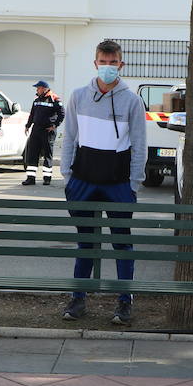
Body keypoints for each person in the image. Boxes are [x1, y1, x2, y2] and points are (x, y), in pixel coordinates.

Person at [60, 40, 147, 326]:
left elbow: (139, 146)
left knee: (121, 244)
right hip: (82, 181)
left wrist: (134, 183)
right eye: (103, 61)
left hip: (119, 184)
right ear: (95, 62)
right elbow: (70, 136)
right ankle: (78, 298)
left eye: (113, 63)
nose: (108, 67)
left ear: (121, 65)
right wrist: (67, 176)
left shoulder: (132, 100)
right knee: (86, 242)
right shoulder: (78, 96)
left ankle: (124, 302)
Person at [23, 80, 64, 186]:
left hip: (48, 131)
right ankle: (30, 178)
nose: (37, 90)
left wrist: (55, 125)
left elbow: (62, 114)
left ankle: (47, 178)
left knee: (47, 155)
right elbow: (32, 114)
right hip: (36, 130)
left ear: (44, 88)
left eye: (38, 88)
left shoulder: (54, 99)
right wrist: (28, 125)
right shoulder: (36, 100)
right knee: (32, 154)